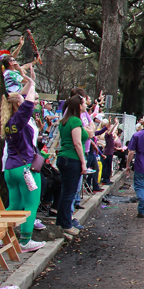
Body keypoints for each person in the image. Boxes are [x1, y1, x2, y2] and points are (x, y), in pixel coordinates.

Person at [0, 68, 46, 252]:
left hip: (10, 169)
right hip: (25, 168)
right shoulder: (20, 119)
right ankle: (26, 241)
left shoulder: (8, 121)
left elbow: (22, 99)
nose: (31, 100)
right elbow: (27, 105)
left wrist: (30, 82)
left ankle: (0, 236)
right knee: (30, 204)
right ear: (18, 106)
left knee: (15, 205)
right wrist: (33, 85)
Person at [55, 94, 89, 238]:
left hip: (63, 157)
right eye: (84, 103)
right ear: (79, 105)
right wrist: (83, 162)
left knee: (65, 192)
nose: (86, 105)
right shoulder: (75, 121)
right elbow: (77, 143)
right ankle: (66, 224)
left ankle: (62, 221)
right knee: (69, 193)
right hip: (72, 159)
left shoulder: (65, 121)